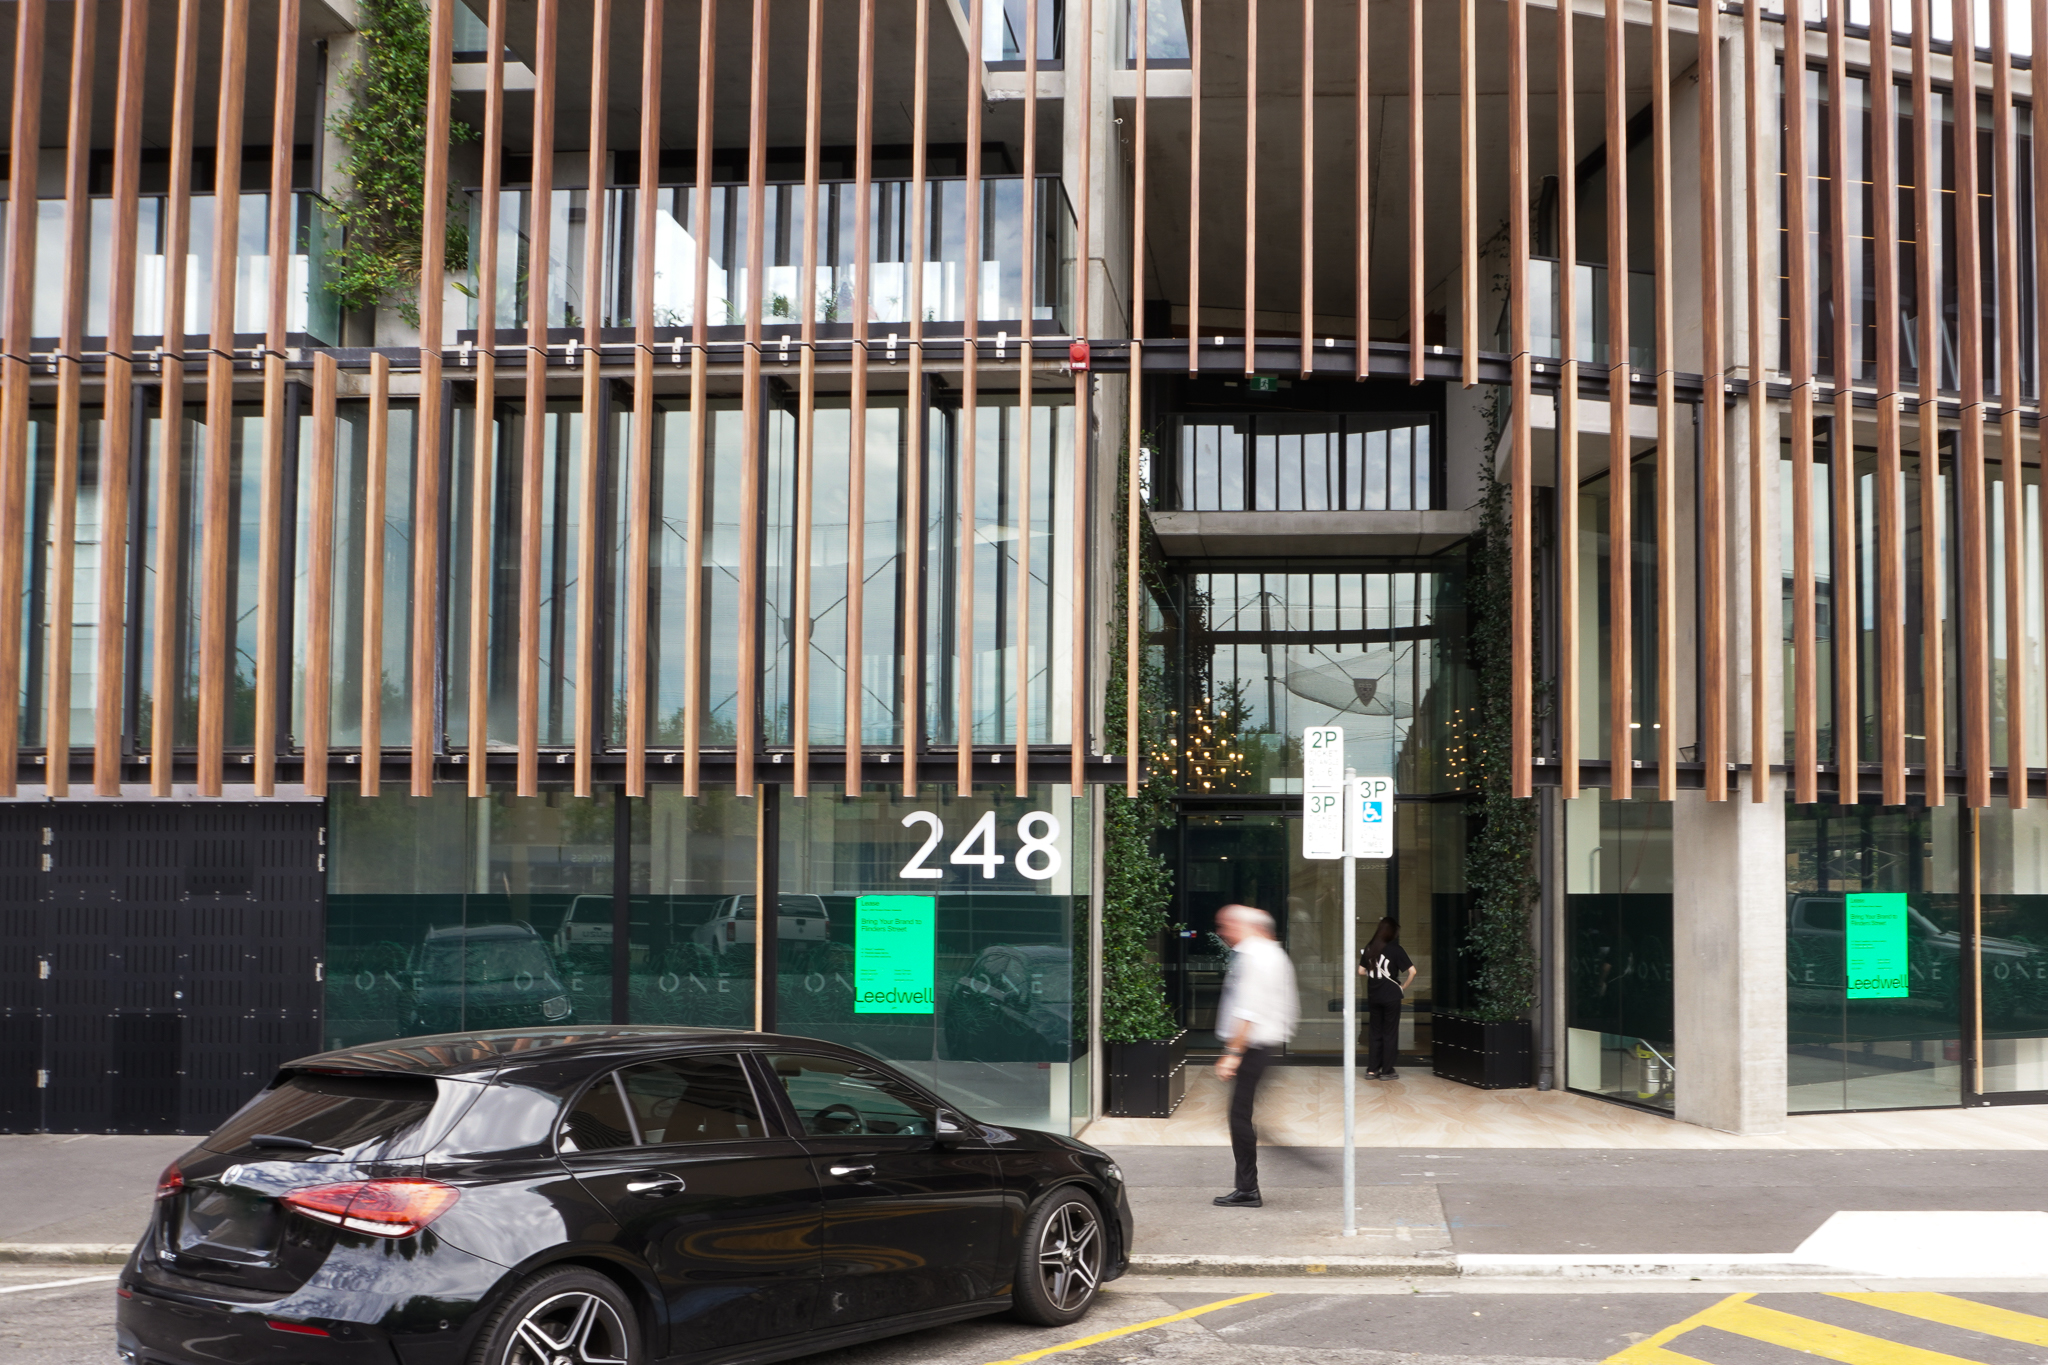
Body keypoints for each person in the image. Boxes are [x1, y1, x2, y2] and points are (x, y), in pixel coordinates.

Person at [1210, 903, 1298, 1208]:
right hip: (1263, 1046)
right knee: (1241, 1116)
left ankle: (1248, 1188)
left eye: (1227, 925)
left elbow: (1248, 1009)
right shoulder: (1274, 953)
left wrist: (1232, 1053)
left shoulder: (1254, 955)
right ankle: (1247, 1185)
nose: (1223, 932)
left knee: (1239, 1118)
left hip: (1252, 1048)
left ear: (1247, 926)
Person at [1358, 917, 1415, 1079]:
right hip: (1391, 996)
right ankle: (1387, 1071)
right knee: (1389, 1033)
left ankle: (1372, 1069)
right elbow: (1413, 971)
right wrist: (1403, 987)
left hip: (1374, 996)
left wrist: (1374, 974)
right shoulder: (1396, 949)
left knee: (1375, 1032)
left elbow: (1360, 971)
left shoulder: (1370, 948)